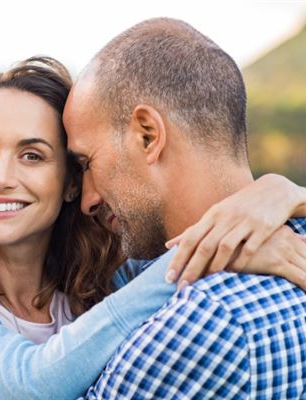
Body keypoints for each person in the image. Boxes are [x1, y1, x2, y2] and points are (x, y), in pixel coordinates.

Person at [0, 57, 306, 400]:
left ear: (70, 183)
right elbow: (30, 382)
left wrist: (277, 192)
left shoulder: (107, 278)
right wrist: (210, 246)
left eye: (32, 155)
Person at [62, 18, 306, 399]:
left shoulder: (199, 322)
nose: (88, 198)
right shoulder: (296, 237)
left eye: (87, 163)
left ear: (148, 135)